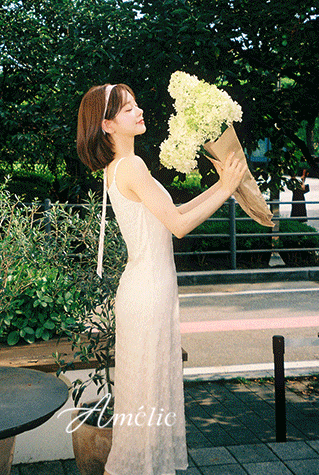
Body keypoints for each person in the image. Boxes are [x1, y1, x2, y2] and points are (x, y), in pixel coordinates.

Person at [77, 83, 247, 475]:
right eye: (127, 109)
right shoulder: (131, 166)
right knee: (146, 403)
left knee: (144, 402)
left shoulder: (121, 167)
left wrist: (224, 186)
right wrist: (225, 188)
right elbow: (180, 226)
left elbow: (175, 212)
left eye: (136, 104)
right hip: (148, 294)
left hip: (146, 290)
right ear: (107, 125)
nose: (139, 111)